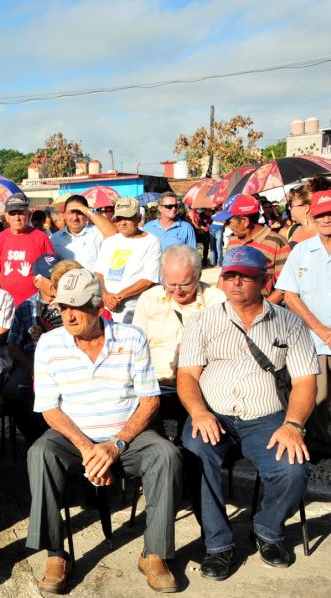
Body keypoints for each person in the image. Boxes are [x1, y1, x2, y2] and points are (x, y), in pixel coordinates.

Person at [27, 268, 181, 594]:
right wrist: (87, 448)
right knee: (40, 453)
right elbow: (49, 408)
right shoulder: (50, 345)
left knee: (166, 455)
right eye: (63, 307)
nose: (68, 315)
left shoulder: (131, 337)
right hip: (73, 438)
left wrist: (115, 445)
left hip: (126, 435)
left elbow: (150, 401)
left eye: (77, 307)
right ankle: (56, 554)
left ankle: (154, 553)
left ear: (98, 307)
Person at [177, 245, 318, 580]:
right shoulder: (202, 321)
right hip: (214, 415)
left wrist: (293, 424)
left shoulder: (289, 324)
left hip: (267, 419)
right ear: (222, 280)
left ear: (264, 280)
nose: (237, 282)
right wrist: (198, 412)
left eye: (246, 276)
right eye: (230, 275)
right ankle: (218, 546)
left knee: (292, 467)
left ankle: (268, 530)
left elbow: (304, 382)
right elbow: (187, 376)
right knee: (196, 455)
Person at [131, 245, 226, 438]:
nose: (177, 291)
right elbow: (135, 347)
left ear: (198, 276)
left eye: (184, 285)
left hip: (201, 388)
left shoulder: (216, 301)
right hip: (156, 386)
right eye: (170, 284)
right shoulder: (149, 298)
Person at [276, 189, 331, 456]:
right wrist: (319, 328)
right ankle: (321, 448)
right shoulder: (302, 251)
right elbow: (289, 294)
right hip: (312, 339)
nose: (327, 218)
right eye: (321, 213)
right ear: (314, 215)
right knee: (317, 399)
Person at [3, 256, 79, 445]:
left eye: (58, 277)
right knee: (13, 391)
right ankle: (33, 437)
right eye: (49, 276)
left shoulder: (72, 306)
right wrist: (32, 369)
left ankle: (63, 436)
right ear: (36, 281)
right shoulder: (26, 307)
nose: (55, 282)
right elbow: (13, 346)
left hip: (67, 359)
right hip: (32, 359)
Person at [93, 197, 161, 324]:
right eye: (119, 218)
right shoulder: (110, 241)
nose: (122, 223)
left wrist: (118, 297)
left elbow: (148, 280)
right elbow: (99, 274)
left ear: (138, 218)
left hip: (134, 312)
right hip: (107, 310)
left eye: (127, 218)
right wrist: (106, 295)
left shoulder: (151, 242)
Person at [216, 194, 289, 303]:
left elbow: (284, 287)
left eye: (228, 221)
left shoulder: (277, 242)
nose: (226, 225)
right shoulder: (233, 240)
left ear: (244, 221)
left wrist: (260, 312)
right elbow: (223, 276)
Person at [0, 192, 55, 305]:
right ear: (6, 217)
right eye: (12, 213)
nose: (17, 218)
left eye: (21, 213)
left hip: (35, 303)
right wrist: (6, 283)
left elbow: (52, 271)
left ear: (29, 215)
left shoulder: (41, 238)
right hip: (7, 303)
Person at [49, 195, 118, 270]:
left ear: (86, 215)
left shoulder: (97, 233)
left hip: (94, 281)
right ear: (64, 215)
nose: (75, 217)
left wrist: (87, 210)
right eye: (71, 212)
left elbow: (114, 234)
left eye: (79, 212)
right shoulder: (54, 239)